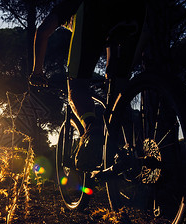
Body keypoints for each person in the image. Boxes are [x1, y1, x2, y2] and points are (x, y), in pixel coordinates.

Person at [29, 0, 146, 171]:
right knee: (119, 94)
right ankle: (132, 151)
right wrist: (110, 77)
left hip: (94, 11)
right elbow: (110, 49)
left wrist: (37, 72)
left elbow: (43, 31)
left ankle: (92, 128)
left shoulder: (68, 5)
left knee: (76, 86)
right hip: (136, 12)